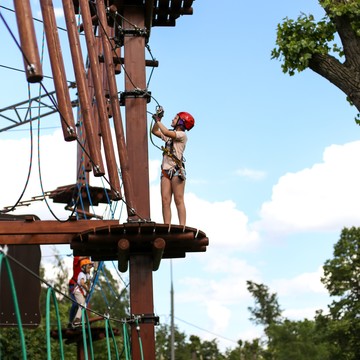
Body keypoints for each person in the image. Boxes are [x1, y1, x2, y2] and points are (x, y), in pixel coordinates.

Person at [151, 108, 195, 226]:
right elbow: (155, 132)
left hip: (176, 170)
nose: (172, 119)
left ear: (181, 123)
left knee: (178, 199)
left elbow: (165, 132)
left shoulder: (181, 135)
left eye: (175, 118)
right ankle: (167, 225)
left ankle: (182, 225)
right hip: (165, 170)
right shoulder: (171, 135)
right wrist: (157, 121)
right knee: (165, 200)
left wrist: (159, 121)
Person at [71, 258, 94, 328]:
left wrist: (89, 287)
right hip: (78, 292)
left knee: (84, 305)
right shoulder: (81, 274)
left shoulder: (87, 275)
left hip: (82, 293)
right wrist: (88, 290)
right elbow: (82, 283)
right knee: (82, 304)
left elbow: (89, 283)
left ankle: (80, 320)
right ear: (83, 267)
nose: (89, 269)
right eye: (88, 267)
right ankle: (76, 320)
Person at [68, 256, 88, 327]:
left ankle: (80, 321)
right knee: (75, 304)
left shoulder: (86, 265)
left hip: (80, 288)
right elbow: (79, 258)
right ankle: (71, 322)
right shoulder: (77, 258)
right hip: (73, 286)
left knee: (83, 305)